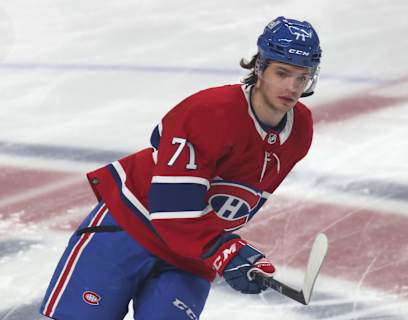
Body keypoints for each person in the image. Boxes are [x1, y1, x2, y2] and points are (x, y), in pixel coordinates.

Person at [40, 16, 322, 320]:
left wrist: (233, 256)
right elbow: (172, 208)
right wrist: (226, 251)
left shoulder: (300, 130)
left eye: (302, 77)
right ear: (260, 67)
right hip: (130, 226)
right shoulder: (209, 112)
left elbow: (237, 204)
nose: (292, 87)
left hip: (191, 254)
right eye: (283, 73)